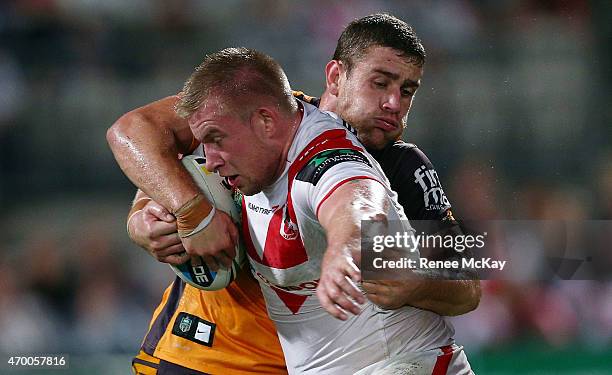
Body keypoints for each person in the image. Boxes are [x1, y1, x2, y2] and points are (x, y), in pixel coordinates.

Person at [108, 14, 479, 374]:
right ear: (336, 76)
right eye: (380, 83)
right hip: (208, 350)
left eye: (407, 91)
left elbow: (467, 286)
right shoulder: (257, 114)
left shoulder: (404, 169)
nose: (394, 104)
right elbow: (139, 133)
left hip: (312, 359)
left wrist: (412, 280)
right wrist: (160, 213)